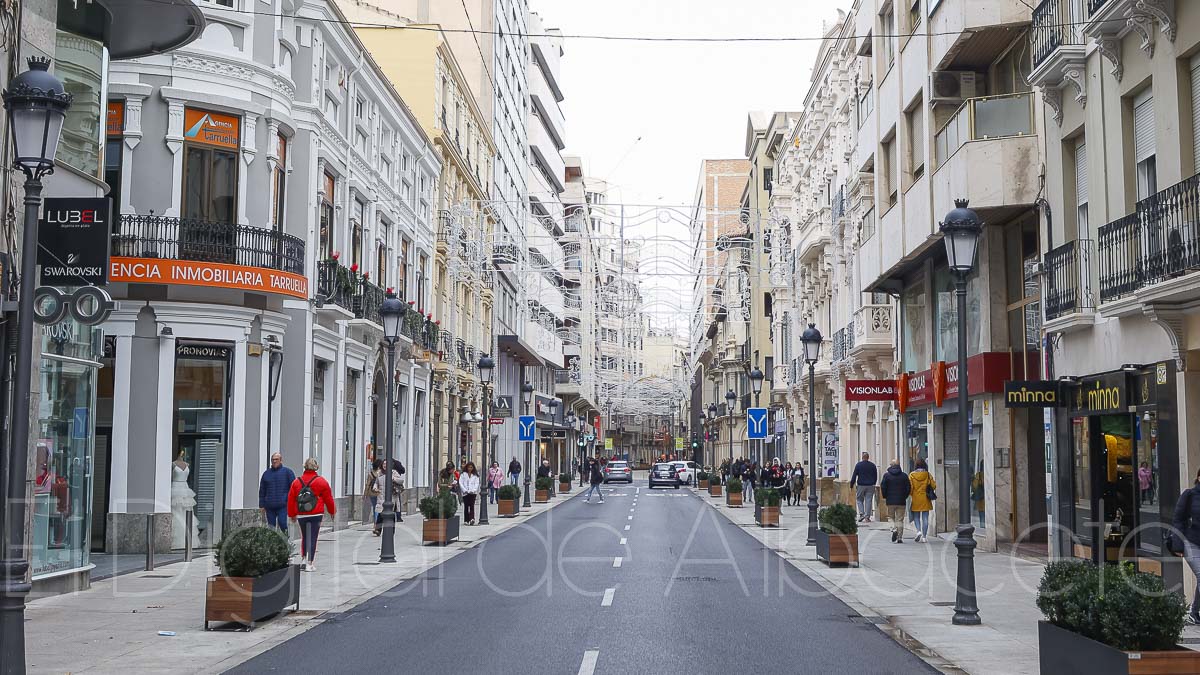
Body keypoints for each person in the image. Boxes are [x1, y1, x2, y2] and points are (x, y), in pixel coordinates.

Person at [287, 457, 336, 572]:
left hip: (301, 514)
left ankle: (303, 559)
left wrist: (292, 514)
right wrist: (332, 511)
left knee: (305, 536)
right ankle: (310, 563)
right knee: (313, 537)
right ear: (316, 467)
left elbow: (291, 499)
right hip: (316, 513)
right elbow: (328, 498)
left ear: (305, 466)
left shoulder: (296, 482)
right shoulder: (321, 481)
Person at [1171, 468, 1200, 624]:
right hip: (1192, 542)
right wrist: (1178, 546)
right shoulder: (1189, 495)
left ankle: (1194, 612)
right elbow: (1178, 520)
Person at [258, 452, 295, 534]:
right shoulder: (266, 474)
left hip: (282, 505)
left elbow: (293, 489)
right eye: (273, 460)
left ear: (281, 460)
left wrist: (290, 502)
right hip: (269, 506)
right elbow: (262, 490)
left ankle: (285, 541)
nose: (274, 461)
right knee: (271, 527)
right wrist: (261, 505)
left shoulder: (288, 472)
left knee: (282, 524)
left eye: (276, 459)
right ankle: (273, 545)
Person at [879, 459, 911, 544]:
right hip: (901, 501)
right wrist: (905, 496)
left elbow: (883, 487)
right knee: (900, 519)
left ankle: (893, 529)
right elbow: (908, 487)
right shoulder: (904, 476)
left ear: (891, 465)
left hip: (890, 501)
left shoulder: (887, 475)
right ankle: (899, 537)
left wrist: (885, 496)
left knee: (890, 517)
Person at [908, 458, 936, 543]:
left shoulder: (912, 475)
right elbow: (934, 485)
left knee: (916, 516)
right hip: (925, 498)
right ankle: (924, 536)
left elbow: (910, 488)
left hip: (916, 498)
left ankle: (918, 531)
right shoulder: (928, 475)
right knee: (925, 518)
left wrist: (911, 494)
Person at [849, 452, 879, 523]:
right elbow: (875, 476)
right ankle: (867, 517)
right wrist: (873, 483)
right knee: (869, 500)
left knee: (859, 499)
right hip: (870, 485)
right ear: (868, 457)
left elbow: (854, 476)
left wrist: (851, 485)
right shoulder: (872, 465)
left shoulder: (858, 465)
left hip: (861, 485)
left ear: (862, 457)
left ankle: (862, 514)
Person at [365, 459, 383, 532]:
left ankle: (375, 523)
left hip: (372, 493)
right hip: (379, 493)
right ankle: (376, 524)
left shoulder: (371, 474)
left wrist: (365, 494)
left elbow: (367, 485)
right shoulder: (380, 474)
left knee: (374, 508)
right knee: (378, 509)